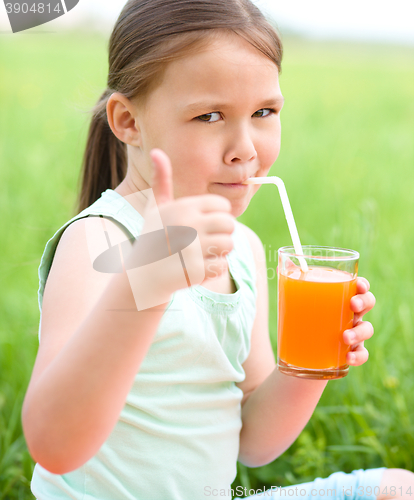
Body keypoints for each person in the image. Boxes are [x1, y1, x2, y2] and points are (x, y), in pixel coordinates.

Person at [22, 1, 414, 499]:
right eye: (210, 115)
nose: (245, 148)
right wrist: (146, 283)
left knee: (398, 489)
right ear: (128, 122)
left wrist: (310, 365)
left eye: (264, 112)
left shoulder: (243, 249)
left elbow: (251, 440)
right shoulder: (99, 240)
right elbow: (53, 444)